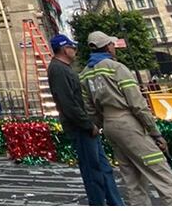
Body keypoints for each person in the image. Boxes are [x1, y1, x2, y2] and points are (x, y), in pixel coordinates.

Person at [81, 31, 172, 206]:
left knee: (132, 180)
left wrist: (99, 125)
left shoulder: (85, 74)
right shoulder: (116, 68)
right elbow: (137, 103)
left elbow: (90, 108)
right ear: (107, 46)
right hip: (129, 123)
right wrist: (155, 133)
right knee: (162, 176)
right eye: (112, 44)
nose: (114, 47)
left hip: (110, 125)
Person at [46, 34, 124, 206]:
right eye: (72, 47)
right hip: (80, 128)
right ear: (65, 49)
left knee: (104, 169)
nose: (75, 50)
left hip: (87, 126)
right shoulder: (58, 69)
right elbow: (67, 103)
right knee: (92, 172)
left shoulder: (64, 68)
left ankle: (115, 204)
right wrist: (87, 124)